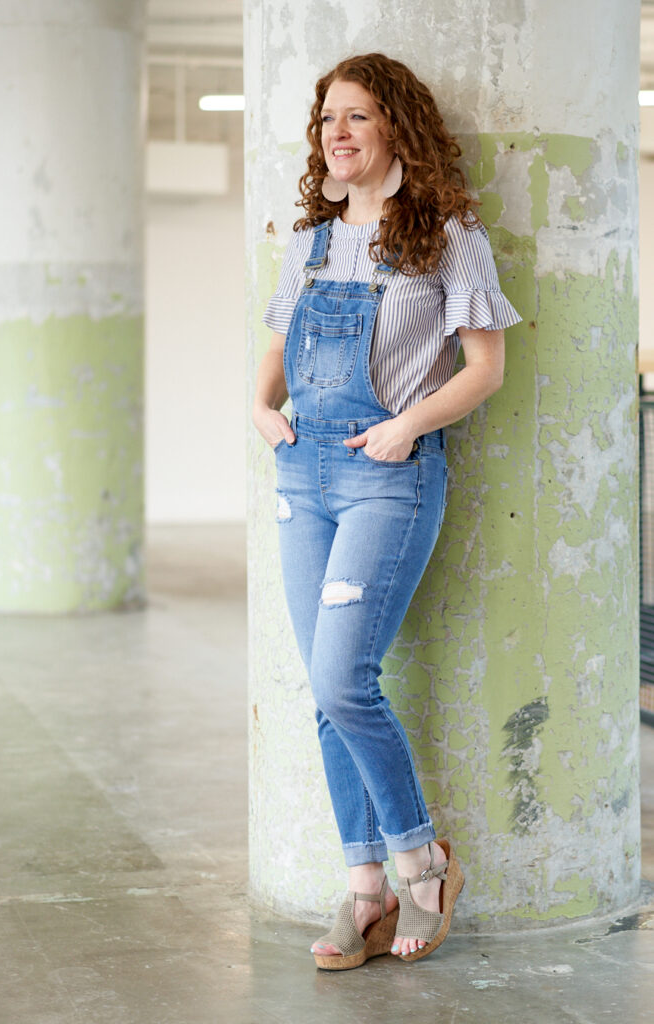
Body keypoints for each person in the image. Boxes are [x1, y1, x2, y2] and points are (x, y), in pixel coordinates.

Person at [252, 52, 521, 969]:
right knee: (324, 696)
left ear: (395, 128)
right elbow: (279, 349)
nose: (337, 132)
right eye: (328, 117)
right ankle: (363, 889)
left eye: (358, 116)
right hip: (303, 480)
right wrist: (259, 410)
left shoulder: (447, 236)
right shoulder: (310, 240)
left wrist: (406, 428)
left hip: (386, 477)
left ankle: (421, 863)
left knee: (341, 683)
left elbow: (484, 368)